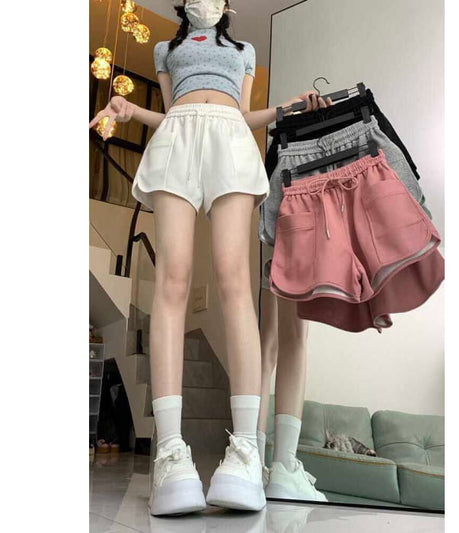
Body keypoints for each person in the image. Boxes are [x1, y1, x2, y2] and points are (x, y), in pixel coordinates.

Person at [89, 0, 331, 517]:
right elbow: (172, 111)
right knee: (172, 281)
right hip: (177, 135)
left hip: (230, 136)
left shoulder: (243, 50)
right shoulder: (165, 49)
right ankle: (170, 454)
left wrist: (283, 110)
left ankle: (244, 452)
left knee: (234, 281)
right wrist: (131, 111)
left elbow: (241, 114)